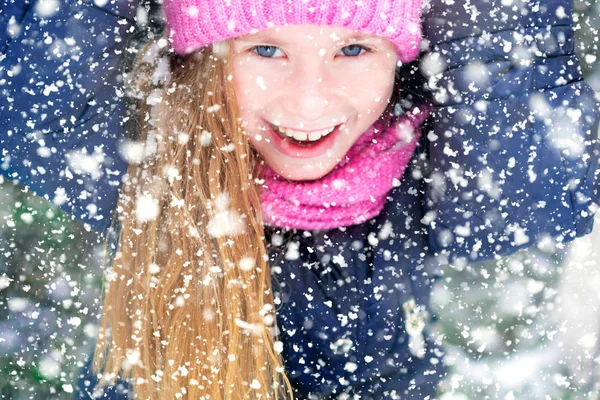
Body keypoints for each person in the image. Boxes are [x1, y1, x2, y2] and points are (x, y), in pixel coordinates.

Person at [1, 0, 598, 399]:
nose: (310, 104)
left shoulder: (440, 159)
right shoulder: (140, 152)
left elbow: (537, 165)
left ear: (404, 54)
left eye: (354, 50)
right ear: (204, 59)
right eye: (265, 51)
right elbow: (40, 57)